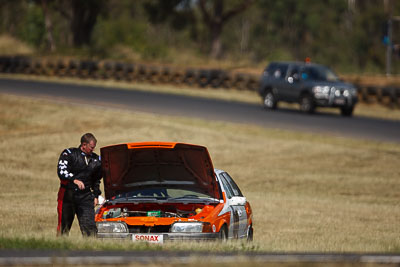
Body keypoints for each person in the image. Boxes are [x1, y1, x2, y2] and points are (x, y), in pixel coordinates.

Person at [56, 133, 102, 236]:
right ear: (84, 145)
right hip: (67, 195)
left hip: (85, 197)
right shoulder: (69, 154)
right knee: (64, 228)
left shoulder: (96, 160)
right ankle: (60, 248)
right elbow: (61, 171)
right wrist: (74, 180)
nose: (93, 150)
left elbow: (96, 179)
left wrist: (95, 195)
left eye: (94, 147)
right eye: (91, 147)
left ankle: (91, 249)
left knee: (90, 229)